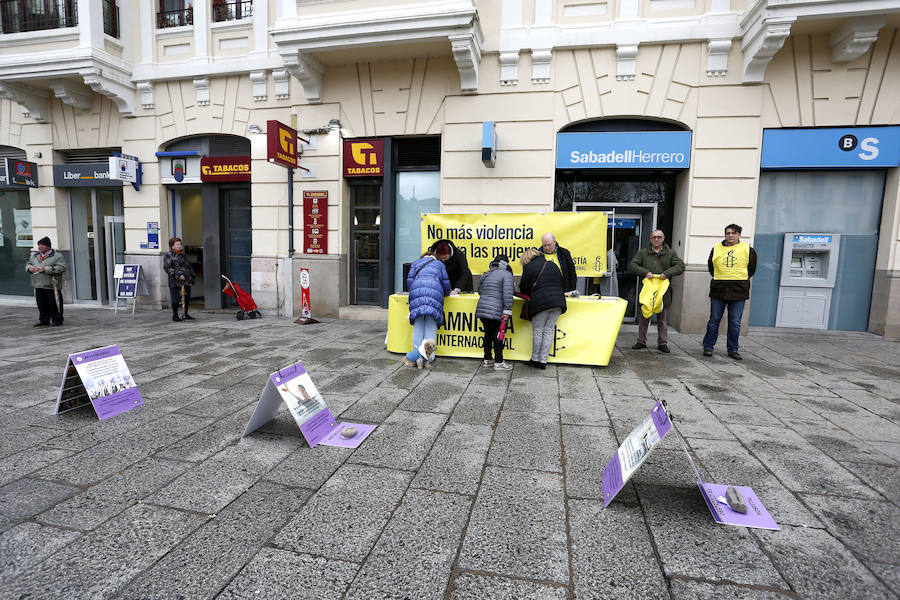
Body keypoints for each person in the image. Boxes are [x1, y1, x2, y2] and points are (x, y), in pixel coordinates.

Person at [702, 224, 757, 360]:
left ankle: (733, 349)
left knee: (735, 322)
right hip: (719, 289)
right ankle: (708, 346)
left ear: (739, 235)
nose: (730, 235)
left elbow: (751, 269)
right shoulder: (716, 248)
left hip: (738, 290)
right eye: (728, 233)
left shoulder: (748, 250)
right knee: (714, 320)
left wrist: (738, 279)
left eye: (733, 233)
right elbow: (711, 267)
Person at [627, 229, 685, 353]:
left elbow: (680, 266)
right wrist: (645, 272)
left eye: (659, 237)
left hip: (663, 292)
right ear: (650, 239)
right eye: (654, 237)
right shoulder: (643, 253)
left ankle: (662, 343)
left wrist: (667, 273)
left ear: (663, 239)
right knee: (644, 316)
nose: (656, 239)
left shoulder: (670, 253)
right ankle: (641, 341)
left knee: (662, 318)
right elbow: (632, 265)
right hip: (647, 291)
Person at [519, 247, 567, 369]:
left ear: (526, 258)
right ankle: (543, 361)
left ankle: (535, 359)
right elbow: (562, 283)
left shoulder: (529, 267)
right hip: (558, 302)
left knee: (538, 331)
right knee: (549, 330)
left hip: (541, 303)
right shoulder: (553, 265)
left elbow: (523, 287)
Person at [404, 250, 451, 368]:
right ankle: (430, 356)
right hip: (434, 294)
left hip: (416, 293)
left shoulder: (416, 263)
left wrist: (415, 292)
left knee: (418, 324)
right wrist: (447, 293)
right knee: (431, 324)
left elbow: (409, 281)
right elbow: (446, 284)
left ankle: (416, 355)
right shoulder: (440, 265)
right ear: (434, 257)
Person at [475, 253, 515, 370]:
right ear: (506, 264)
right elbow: (508, 294)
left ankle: (487, 359)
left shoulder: (487, 274)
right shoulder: (507, 274)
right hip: (496, 310)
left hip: (483, 309)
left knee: (488, 335)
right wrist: (507, 310)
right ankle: (499, 362)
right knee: (498, 336)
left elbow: (480, 290)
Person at [26, 236, 66, 327]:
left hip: (52, 285)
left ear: (48, 246)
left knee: (54, 304)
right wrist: (29, 268)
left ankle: (57, 320)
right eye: (39, 245)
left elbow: (61, 268)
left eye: (42, 245)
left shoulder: (57, 256)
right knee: (42, 304)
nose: (40, 247)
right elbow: (28, 263)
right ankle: (44, 320)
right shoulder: (35, 256)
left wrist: (45, 269)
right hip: (38, 283)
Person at [163, 237, 196, 322]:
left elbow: (187, 266)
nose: (179, 246)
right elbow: (167, 268)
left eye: (180, 244)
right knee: (176, 298)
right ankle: (175, 315)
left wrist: (191, 275)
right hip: (175, 281)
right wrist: (178, 275)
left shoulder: (182, 254)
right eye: (177, 244)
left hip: (186, 280)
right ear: (172, 246)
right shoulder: (168, 255)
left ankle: (185, 313)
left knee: (187, 298)